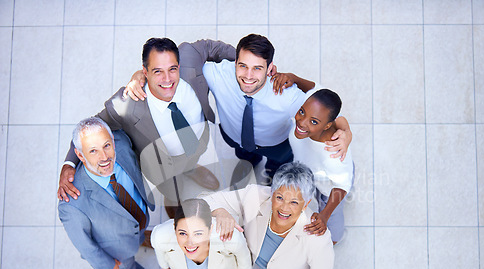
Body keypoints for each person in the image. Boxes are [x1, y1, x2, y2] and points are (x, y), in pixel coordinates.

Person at [125, 34, 352, 184]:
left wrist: (346, 130)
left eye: (257, 68)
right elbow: (168, 65)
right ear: (235, 62)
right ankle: (248, 165)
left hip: (275, 144)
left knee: (279, 165)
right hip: (234, 136)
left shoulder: (286, 94)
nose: (248, 76)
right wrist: (138, 75)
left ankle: (271, 174)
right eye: (242, 66)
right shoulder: (219, 74)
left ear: (270, 68)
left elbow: (324, 106)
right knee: (243, 155)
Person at [57, 37, 236, 216]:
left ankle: (191, 170)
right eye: (157, 71)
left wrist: (254, 64)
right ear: (145, 71)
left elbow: (210, 47)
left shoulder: (190, 57)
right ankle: (172, 197)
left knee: (193, 156)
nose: (167, 80)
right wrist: (69, 163)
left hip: (197, 140)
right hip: (162, 164)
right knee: (170, 187)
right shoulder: (127, 104)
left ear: (179, 65)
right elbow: (91, 127)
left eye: (172, 69)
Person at [58, 117, 165, 269]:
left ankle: (142, 236)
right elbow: (84, 245)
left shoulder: (122, 144)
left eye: (107, 146)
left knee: (139, 230)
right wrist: (108, 265)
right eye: (93, 151)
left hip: (138, 217)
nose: (104, 157)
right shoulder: (71, 205)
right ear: (79, 155)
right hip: (117, 249)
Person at [202, 162, 334, 269]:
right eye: (279, 197)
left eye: (294, 202)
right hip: (260, 262)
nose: (284, 208)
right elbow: (205, 200)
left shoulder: (317, 236)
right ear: (271, 193)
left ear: (306, 204)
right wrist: (220, 211)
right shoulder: (254, 195)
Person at [289, 89, 354, 244]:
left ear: (327, 126)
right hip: (315, 176)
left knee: (334, 216)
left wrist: (324, 215)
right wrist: (292, 78)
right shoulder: (308, 120)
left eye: (313, 122)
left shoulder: (333, 156)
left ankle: (337, 238)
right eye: (302, 112)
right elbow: (341, 119)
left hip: (329, 188)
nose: (301, 122)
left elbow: (341, 186)